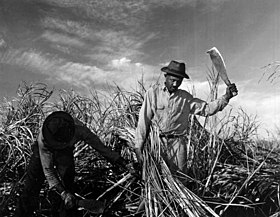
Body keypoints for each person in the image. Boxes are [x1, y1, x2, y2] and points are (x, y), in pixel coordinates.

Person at [15, 111, 132, 217]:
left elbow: (100, 147)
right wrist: (63, 193)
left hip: (65, 152)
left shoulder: (79, 129)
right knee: (31, 187)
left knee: (67, 183)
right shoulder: (44, 139)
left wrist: (123, 162)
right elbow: (49, 171)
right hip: (42, 151)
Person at [134, 60, 238, 177]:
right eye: (172, 80)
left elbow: (207, 109)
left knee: (180, 179)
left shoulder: (185, 98)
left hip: (178, 144)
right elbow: (144, 121)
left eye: (178, 82)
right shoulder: (152, 93)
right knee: (156, 177)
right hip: (158, 143)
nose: (175, 84)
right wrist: (138, 146)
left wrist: (226, 97)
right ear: (165, 76)